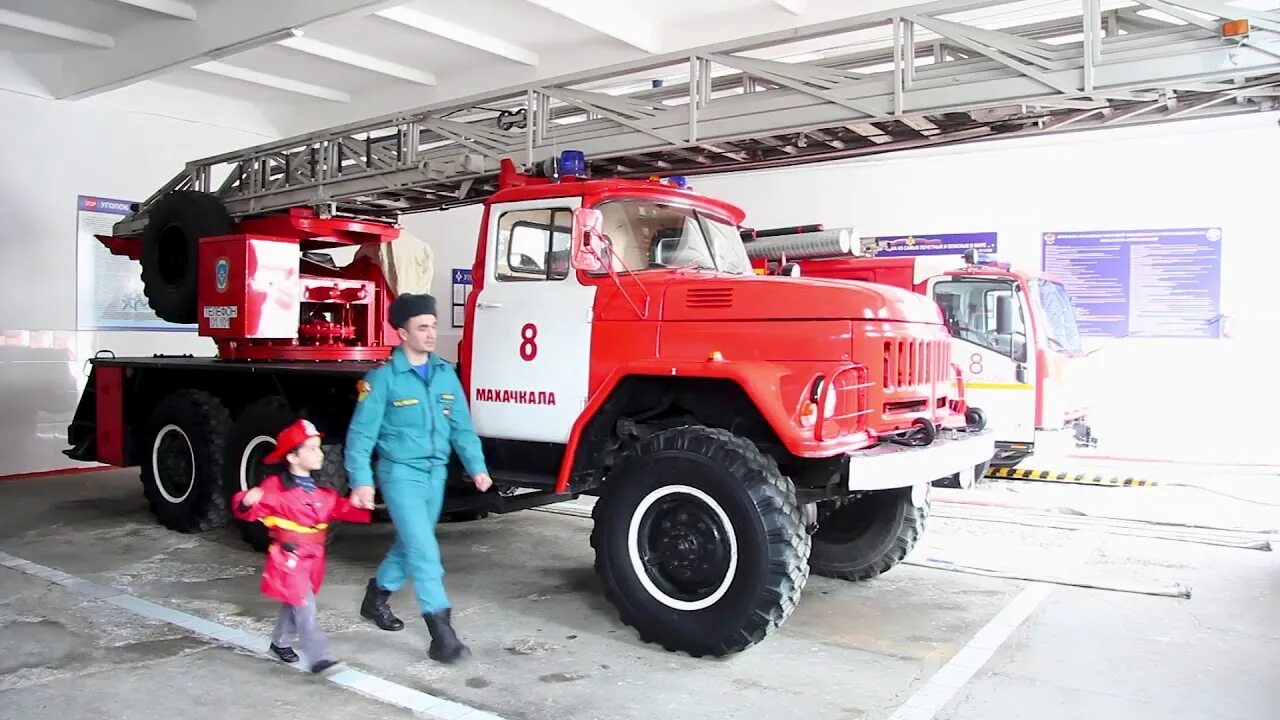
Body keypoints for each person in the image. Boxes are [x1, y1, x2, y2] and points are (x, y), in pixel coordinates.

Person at [345, 292, 493, 664]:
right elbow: (361, 435)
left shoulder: (445, 374)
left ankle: (375, 597)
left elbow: (461, 426)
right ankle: (442, 635)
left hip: (435, 474)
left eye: (433, 326)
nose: (431, 334)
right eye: (422, 328)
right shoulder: (382, 381)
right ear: (402, 333)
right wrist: (361, 480)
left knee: (413, 544)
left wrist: (477, 467)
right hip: (400, 474)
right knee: (425, 552)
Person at [231, 418, 371, 674]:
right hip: (289, 558)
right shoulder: (274, 489)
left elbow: (339, 508)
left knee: (294, 602)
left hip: (313, 557)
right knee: (305, 606)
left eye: (319, 447)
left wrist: (361, 506)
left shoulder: (320, 491)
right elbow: (248, 509)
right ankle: (319, 658)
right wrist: (246, 501)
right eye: (312, 448)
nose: (319, 454)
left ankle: (280, 642)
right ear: (293, 457)